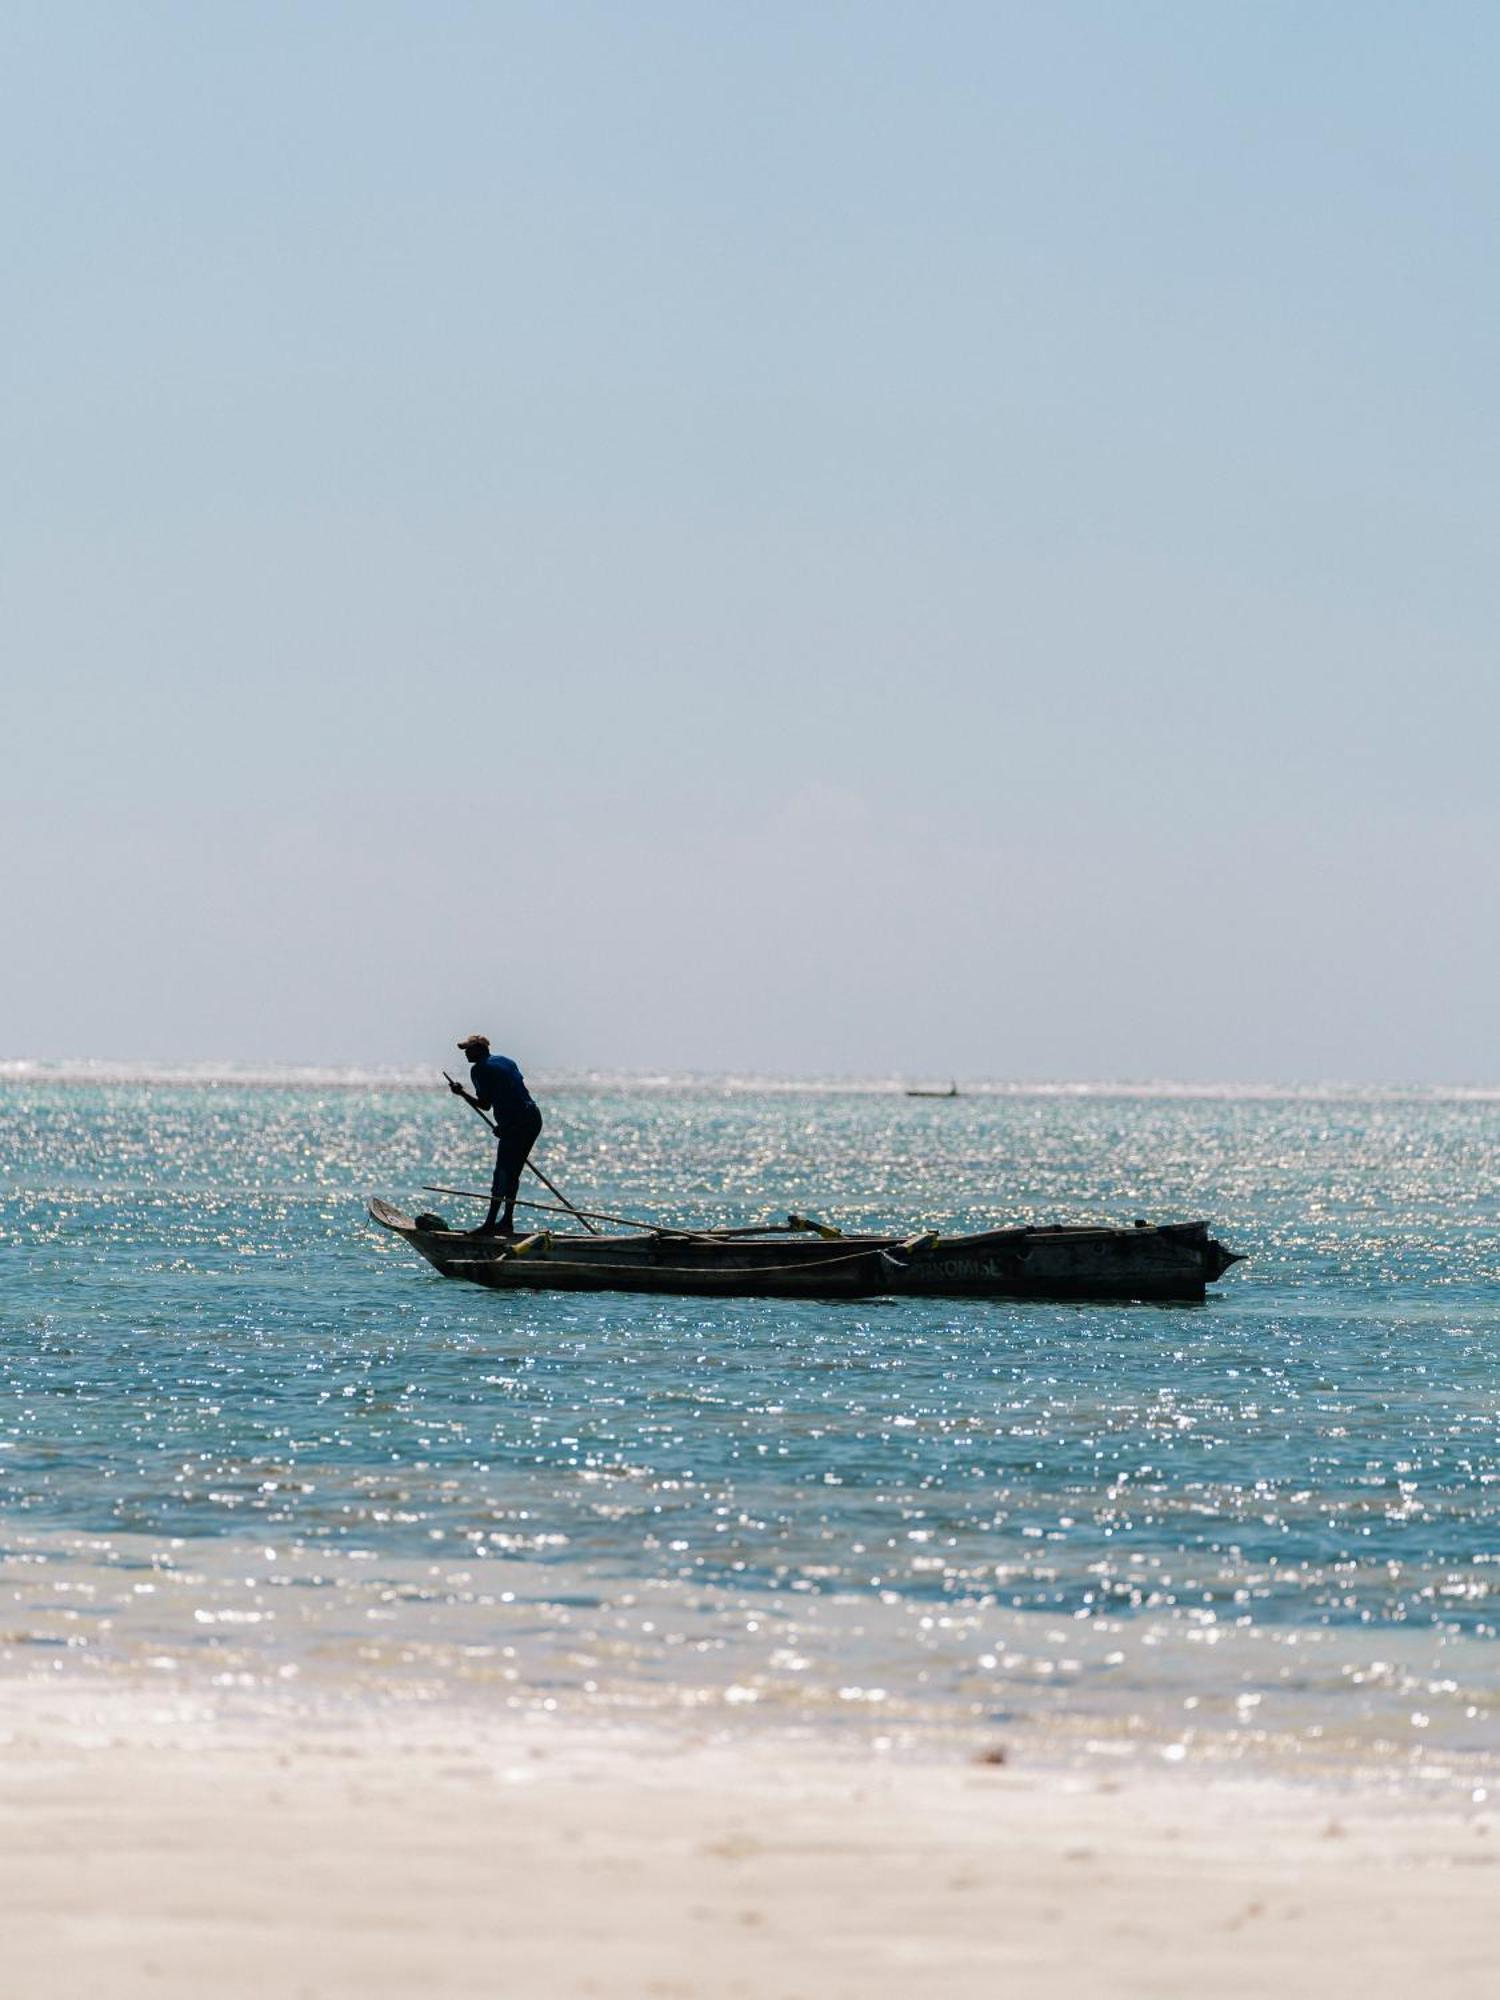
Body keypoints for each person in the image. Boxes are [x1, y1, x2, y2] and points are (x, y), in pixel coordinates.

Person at [448, 1034, 543, 1236]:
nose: (466, 1054)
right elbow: (513, 1092)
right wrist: (506, 1125)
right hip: (533, 1118)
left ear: (481, 1049)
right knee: (512, 1173)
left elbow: (485, 1104)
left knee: (502, 1172)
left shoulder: (480, 1069)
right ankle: (506, 1222)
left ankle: (491, 1224)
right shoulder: (506, 1061)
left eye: (469, 1050)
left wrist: (461, 1093)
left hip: (518, 1123)